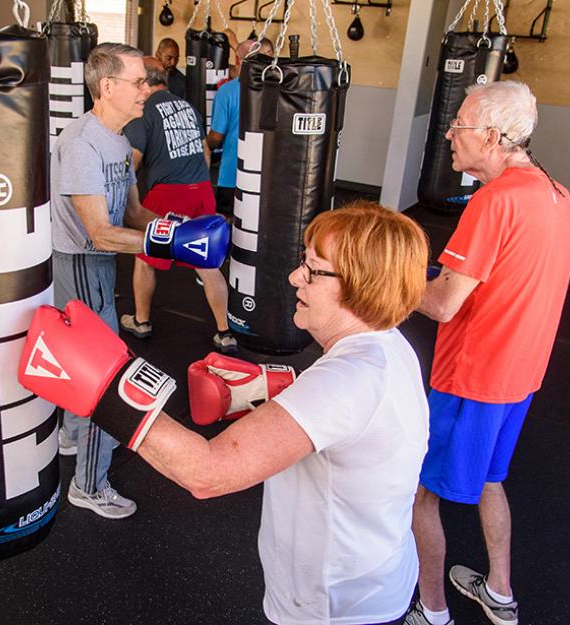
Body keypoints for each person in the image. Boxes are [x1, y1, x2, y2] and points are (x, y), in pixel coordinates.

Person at [23, 201, 431, 624]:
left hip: (336, 608)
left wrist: (106, 389)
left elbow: (208, 473)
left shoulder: (346, 381)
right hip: (373, 580)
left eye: (313, 270)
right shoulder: (387, 346)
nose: (295, 278)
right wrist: (273, 390)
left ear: (361, 285)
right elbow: (357, 421)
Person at [405, 82, 570, 625]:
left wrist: (387, 279)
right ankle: (500, 592)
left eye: (458, 124)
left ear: (491, 136)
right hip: (520, 377)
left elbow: (443, 304)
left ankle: (432, 609)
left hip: (472, 378)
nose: (449, 135)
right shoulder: (558, 194)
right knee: (489, 480)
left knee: (420, 496)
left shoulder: (493, 201)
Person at [49, 43, 229, 520]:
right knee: (105, 379)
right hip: (81, 264)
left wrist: (178, 230)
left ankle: (73, 434)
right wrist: (169, 243)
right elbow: (100, 232)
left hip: (100, 266)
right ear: (107, 87)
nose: (147, 89)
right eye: (138, 81)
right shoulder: (82, 144)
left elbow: (133, 212)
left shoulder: (117, 140)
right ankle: (89, 485)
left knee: (85, 363)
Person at [119, 56, 236, 354]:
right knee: (207, 263)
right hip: (201, 188)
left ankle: (141, 321)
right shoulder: (187, 107)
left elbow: (132, 161)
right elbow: (205, 152)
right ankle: (224, 333)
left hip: (169, 193)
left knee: (145, 257)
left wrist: (114, 193)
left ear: (144, 82)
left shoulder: (143, 109)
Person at [206, 37, 273, 216]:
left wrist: (204, 145)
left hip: (232, 175)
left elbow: (216, 136)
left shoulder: (227, 91)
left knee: (226, 223)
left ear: (237, 60)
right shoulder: (280, 91)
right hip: (266, 176)